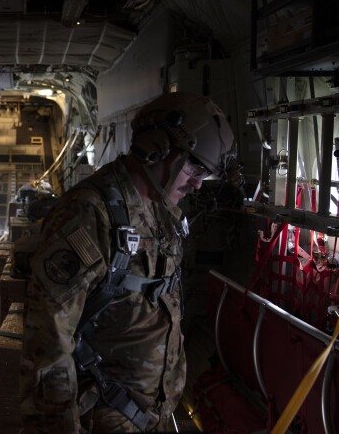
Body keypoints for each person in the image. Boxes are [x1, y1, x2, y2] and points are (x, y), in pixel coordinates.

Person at [20, 92, 237, 433]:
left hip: (154, 414)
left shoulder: (163, 213)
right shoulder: (89, 214)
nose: (197, 184)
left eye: (204, 174)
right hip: (104, 415)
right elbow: (48, 340)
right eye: (194, 167)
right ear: (157, 148)